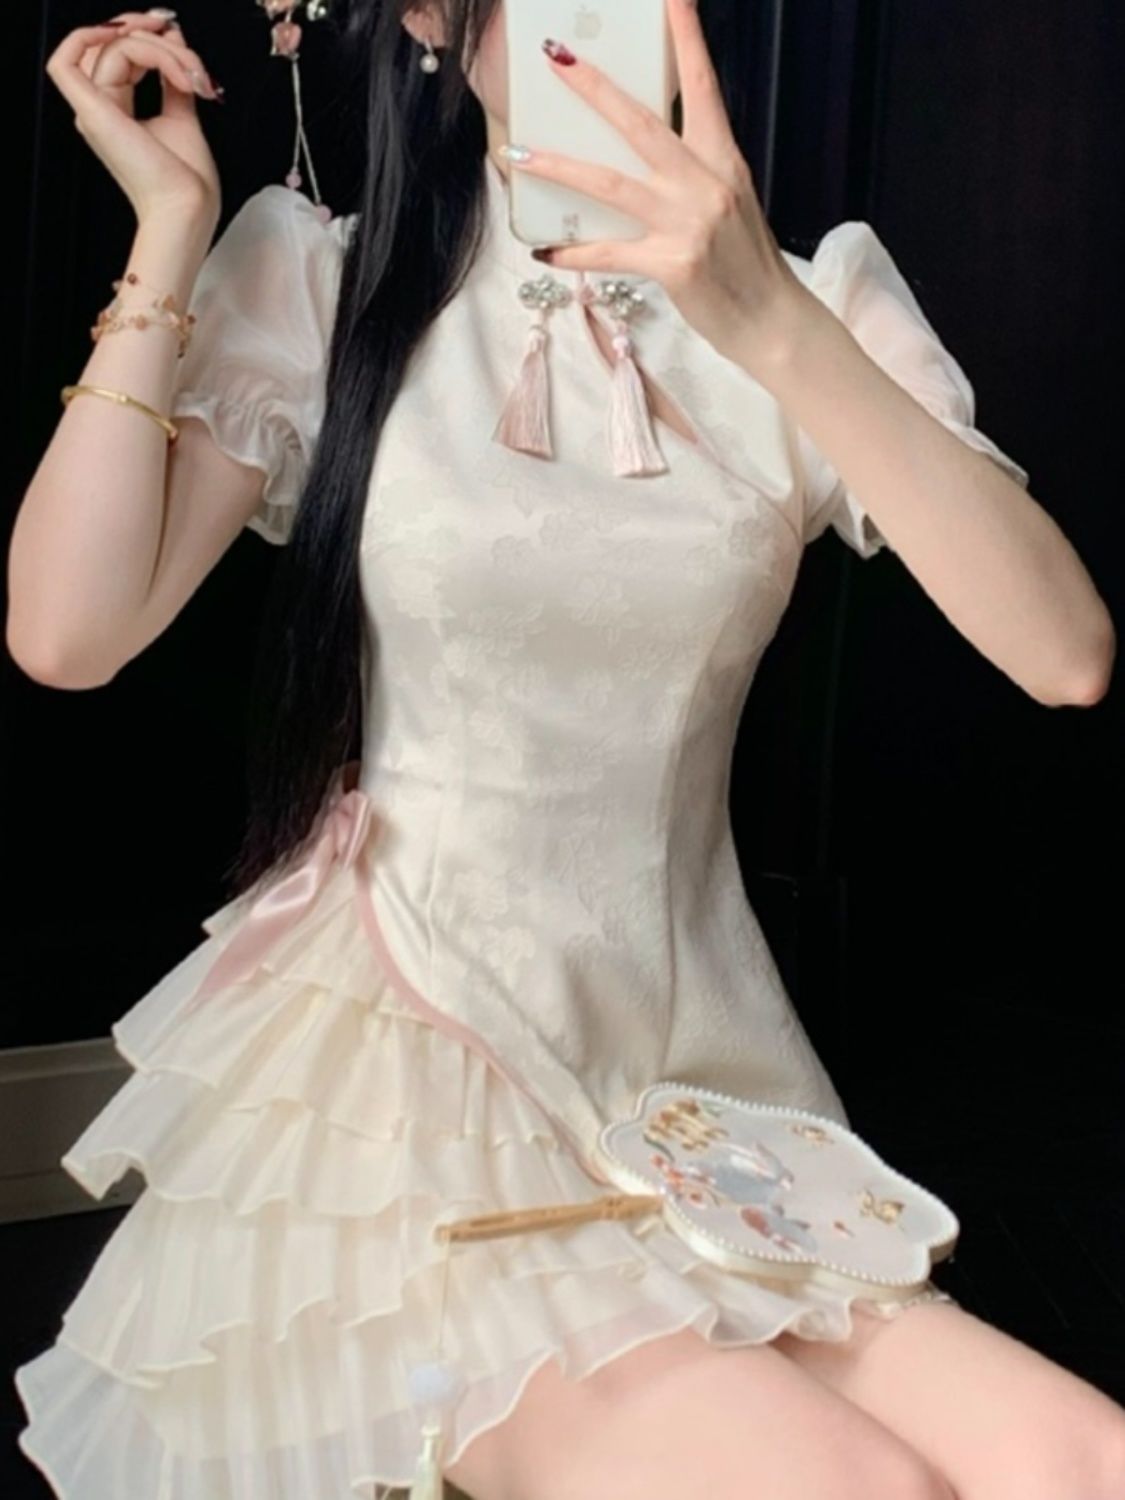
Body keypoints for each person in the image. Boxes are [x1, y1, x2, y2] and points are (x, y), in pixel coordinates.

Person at [9, 3, 1123, 1498]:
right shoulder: (326, 280)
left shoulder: (815, 304)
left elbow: (1064, 656)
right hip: (418, 1072)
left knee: (1083, 1461)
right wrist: (170, 225)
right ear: (430, 17)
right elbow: (70, 634)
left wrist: (766, 322)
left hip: (698, 1094)